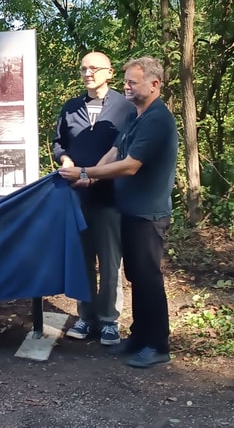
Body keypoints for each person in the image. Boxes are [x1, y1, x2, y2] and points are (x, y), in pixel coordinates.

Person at [59, 56, 178, 368]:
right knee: (136, 276)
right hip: (130, 211)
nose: (127, 86)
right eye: (126, 81)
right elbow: (115, 150)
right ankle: (139, 337)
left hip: (148, 214)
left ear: (155, 85)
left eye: (133, 81)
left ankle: (157, 345)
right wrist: (87, 176)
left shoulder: (157, 119)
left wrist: (85, 172)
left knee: (149, 278)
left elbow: (130, 165)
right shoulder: (136, 116)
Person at [52, 51, 136, 346]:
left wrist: (91, 175)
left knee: (111, 260)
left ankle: (109, 320)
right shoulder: (71, 107)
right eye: (83, 68)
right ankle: (85, 317)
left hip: (111, 197)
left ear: (110, 72)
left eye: (94, 68)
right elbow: (58, 143)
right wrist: (64, 159)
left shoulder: (125, 107)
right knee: (83, 259)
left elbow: (124, 148)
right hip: (76, 198)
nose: (87, 73)